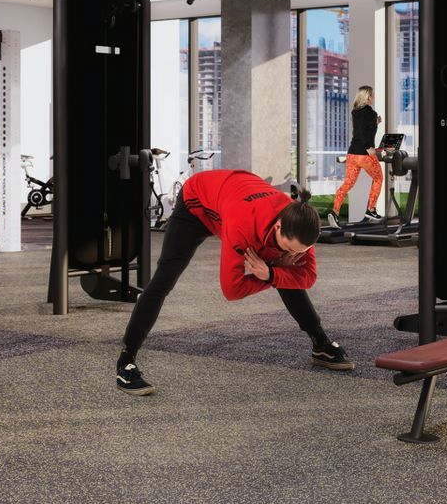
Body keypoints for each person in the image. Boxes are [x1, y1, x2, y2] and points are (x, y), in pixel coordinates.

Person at [115, 167, 346, 394]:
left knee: (283, 270)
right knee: (164, 279)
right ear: (278, 227)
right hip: (197, 202)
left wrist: (273, 273)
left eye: (303, 251)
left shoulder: (301, 222)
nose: (296, 254)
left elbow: (308, 277)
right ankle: (126, 361)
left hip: (235, 192)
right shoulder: (241, 227)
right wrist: (272, 274)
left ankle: (321, 344)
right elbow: (231, 290)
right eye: (290, 248)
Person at [332, 85, 384, 223]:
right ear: (368, 97)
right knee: (378, 178)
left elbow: (365, 128)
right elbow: (363, 132)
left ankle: (335, 212)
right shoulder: (371, 113)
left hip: (352, 155)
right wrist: (369, 148)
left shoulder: (356, 112)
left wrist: (375, 124)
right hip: (364, 155)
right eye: (373, 94)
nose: (374, 97)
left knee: (347, 184)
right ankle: (371, 210)